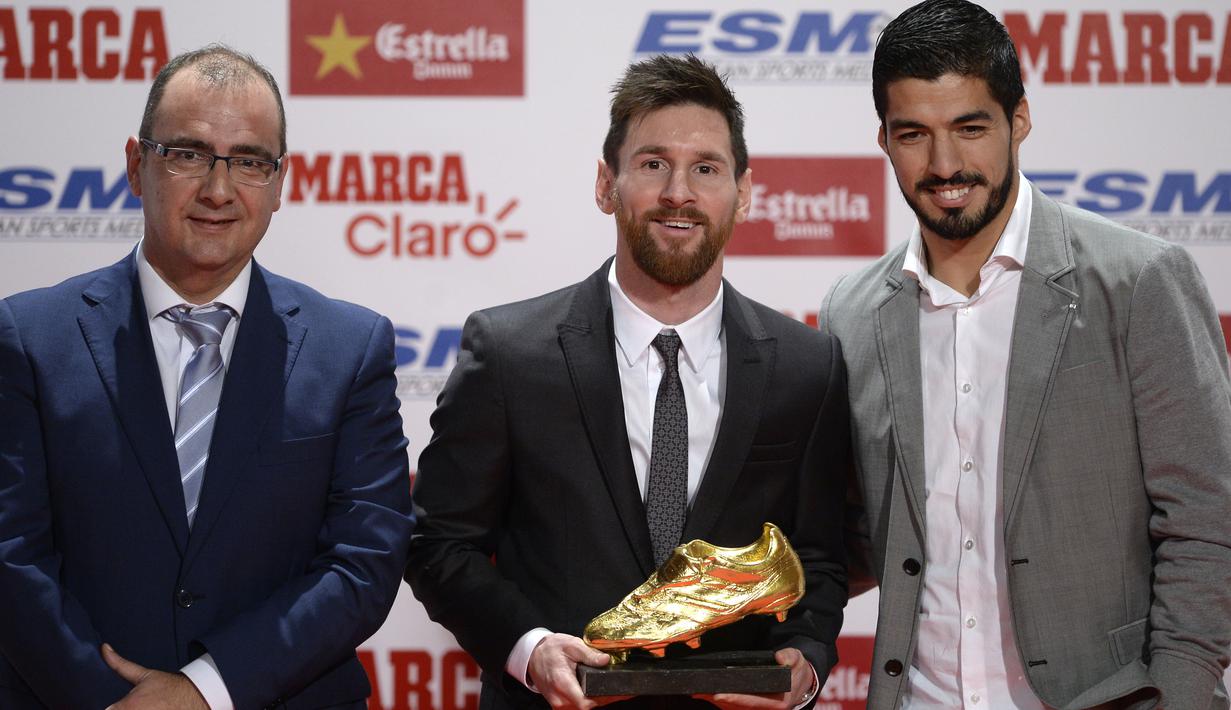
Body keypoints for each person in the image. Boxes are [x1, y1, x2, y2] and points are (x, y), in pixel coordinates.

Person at [405, 54, 849, 710]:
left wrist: (805, 664)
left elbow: (817, 555)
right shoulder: (508, 354)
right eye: (652, 164)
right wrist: (529, 648)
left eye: (705, 168)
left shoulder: (806, 366)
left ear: (744, 191)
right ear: (604, 184)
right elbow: (438, 543)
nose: (678, 192)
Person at [819, 1, 1231, 708]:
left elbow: (1206, 522)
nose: (944, 163)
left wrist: (1179, 695)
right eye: (913, 133)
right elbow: (854, 533)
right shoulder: (849, 312)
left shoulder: (1136, 281)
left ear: (1019, 121)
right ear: (883, 139)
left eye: (969, 128)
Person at [0, 45, 414, 709]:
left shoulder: (351, 348)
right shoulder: (29, 336)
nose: (219, 190)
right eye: (187, 153)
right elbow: (10, 553)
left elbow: (363, 562)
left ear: (279, 183)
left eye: (249, 161)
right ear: (137, 165)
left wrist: (204, 691)